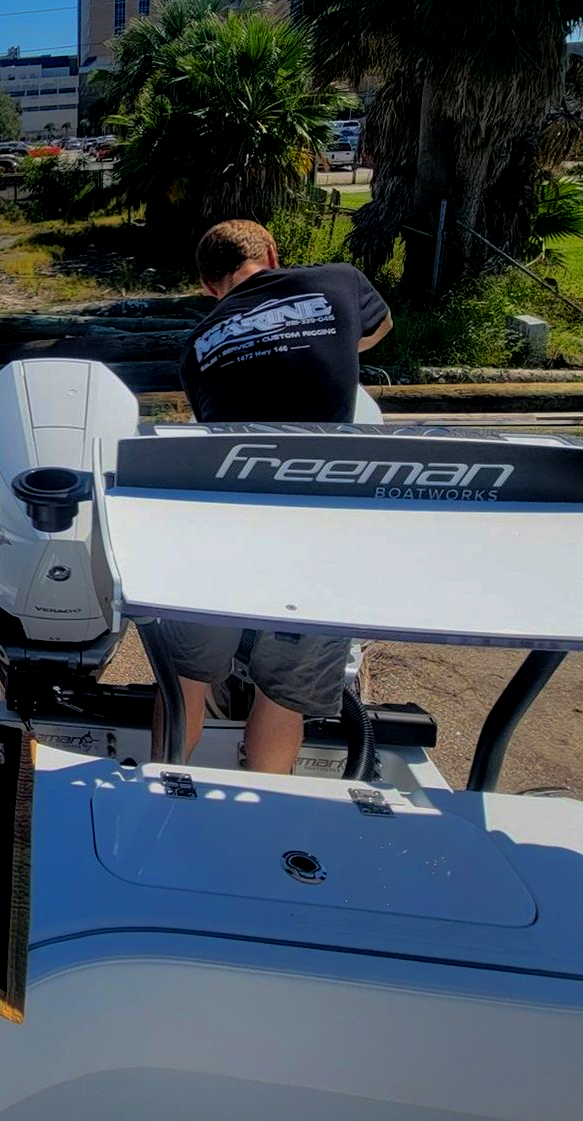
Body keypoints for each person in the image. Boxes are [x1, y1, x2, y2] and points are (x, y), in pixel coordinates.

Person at [152, 219, 393, 774]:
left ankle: (162, 790)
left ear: (209, 287)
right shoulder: (339, 280)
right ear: (274, 254)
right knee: (283, 692)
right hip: (315, 528)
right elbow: (376, 333)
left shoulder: (197, 346)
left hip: (219, 524)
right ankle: (266, 808)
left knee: (186, 677)